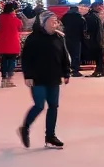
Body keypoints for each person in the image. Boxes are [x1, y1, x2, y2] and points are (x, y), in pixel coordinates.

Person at [18, 10, 70, 149]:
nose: (55, 23)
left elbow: (64, 56)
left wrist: (66, 72)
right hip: (37, 77)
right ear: (44, 22)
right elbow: (26, 58)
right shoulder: (34, 38)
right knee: (39, 105)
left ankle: (50, 136)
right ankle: (25, 127)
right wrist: (28, 76)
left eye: (56, 20)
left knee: (53, 106)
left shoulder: (59, 38)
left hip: (54, 77)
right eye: (52, 20)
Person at [0, 1, 22, 88]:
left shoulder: (1, 18)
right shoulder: (14, 19)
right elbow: (20, 25)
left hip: (3, 43)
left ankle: (3, 79)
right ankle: (9, 79)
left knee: (3, 61)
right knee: (12, 61)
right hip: (12, 43)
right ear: (12, 10)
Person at [84, 2, 104, 77]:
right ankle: (101, 71)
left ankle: (99, 71)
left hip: (96, 39)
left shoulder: (92, 15)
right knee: (99, 56)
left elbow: (90, 29)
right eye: (99, 6)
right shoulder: (94, 16)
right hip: (97, 38)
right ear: (94, 7)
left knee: (98, 56)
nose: (100, 8)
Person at [60, 4, 85, 77]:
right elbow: (83, 27)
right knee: (76, 54)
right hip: (76, 38)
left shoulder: (65, 16)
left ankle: (66, 70)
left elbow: (62, 25)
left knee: (67, 54)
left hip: (67, 37)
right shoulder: (79, 17)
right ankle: (75, 70)